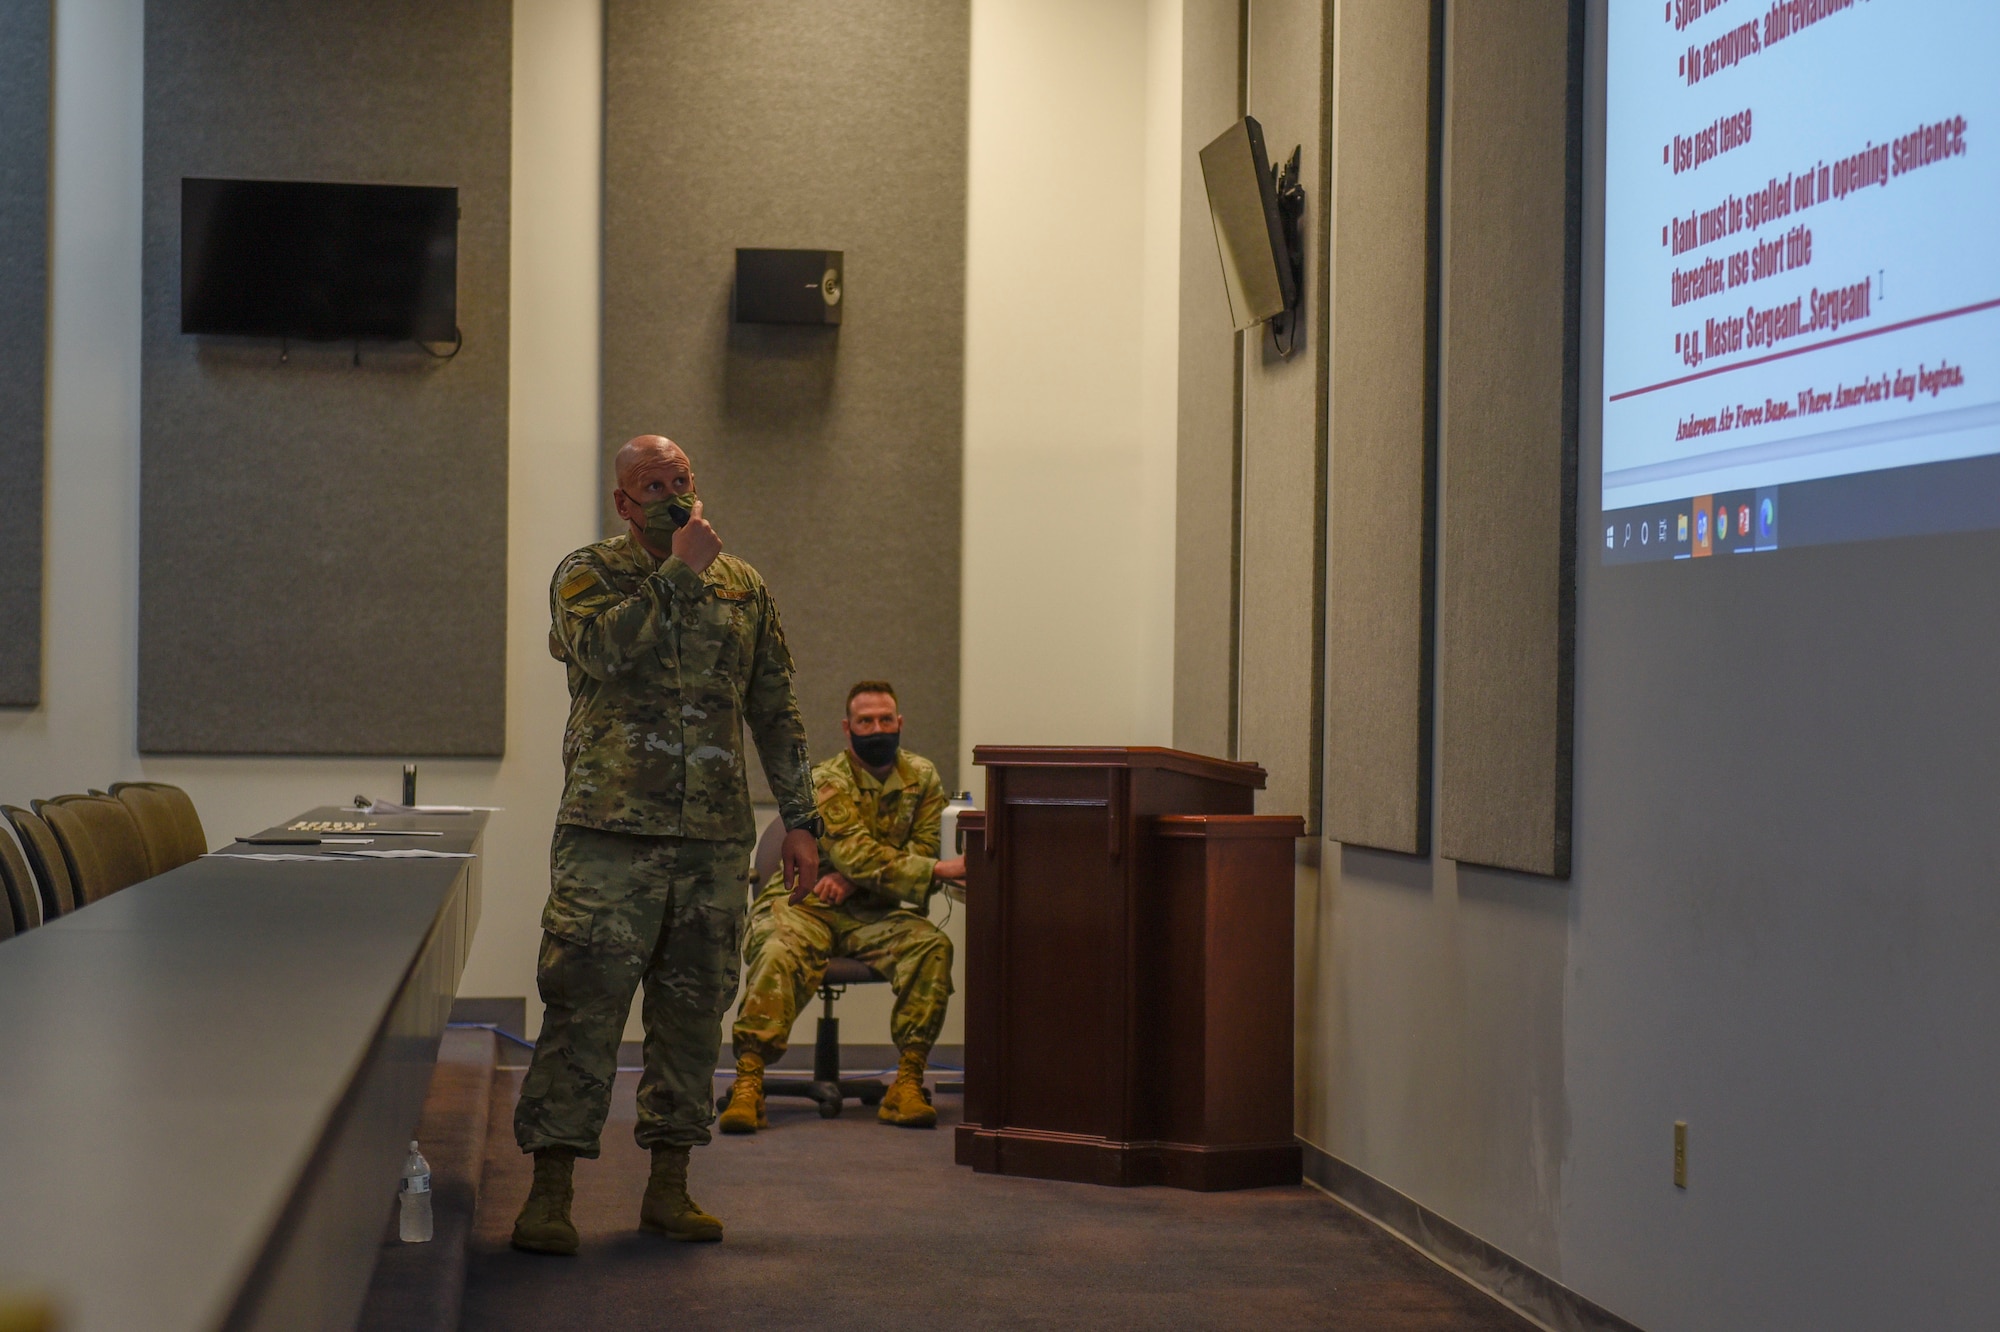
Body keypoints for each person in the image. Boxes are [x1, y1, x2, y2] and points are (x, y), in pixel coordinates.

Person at [510, 435, 824, 1256]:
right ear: (623, 503)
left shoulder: (744, 587)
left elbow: (775, 710)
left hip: (712, 842)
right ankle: (549, 1195)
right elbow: (604, 653)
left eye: (682, 479)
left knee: (692, 1018)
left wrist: (800, 818)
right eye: (653, 484)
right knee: (583, 1010)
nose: (673, 494)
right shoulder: (587, 574)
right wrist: (678, 570)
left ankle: (670, 1188)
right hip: (609, 838)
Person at [720, 680, 964, 1133]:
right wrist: (937, 871)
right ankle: (749, 1082)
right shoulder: (826, 779)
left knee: (931, 947)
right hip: (806, 902)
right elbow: (861, 853)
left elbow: (924, 845)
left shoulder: (923, 777)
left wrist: (854, 879)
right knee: (776, 950)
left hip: (874, 910)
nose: (877, 728)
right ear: (847, 728)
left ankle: (907, 1081)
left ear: (900, 723)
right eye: (865, 721)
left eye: (885, 720)